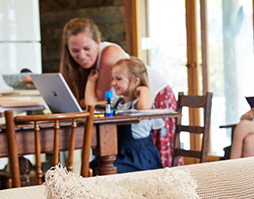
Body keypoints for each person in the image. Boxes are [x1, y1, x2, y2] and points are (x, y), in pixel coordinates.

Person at [59, 17, 178, 167]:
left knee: (159, 162)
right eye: (75, 51)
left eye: (86, 49)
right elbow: (98, 105)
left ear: (97, 43)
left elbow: (102, 102)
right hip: (126, 125)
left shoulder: (110, 53)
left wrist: (144, 91)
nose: (81, 55)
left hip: (154, 97)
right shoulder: (117, 100)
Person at [87, 57, 162, 174]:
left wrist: (144, 89)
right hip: (118, 153)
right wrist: (91, 82)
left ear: (135, 81)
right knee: (90, 169)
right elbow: (91, 105)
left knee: (106, 173)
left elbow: (144, 108)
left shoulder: (139, 103)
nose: (113, 83)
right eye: (112, 79)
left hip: (138, 156)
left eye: (118, 79)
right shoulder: (117, 102)